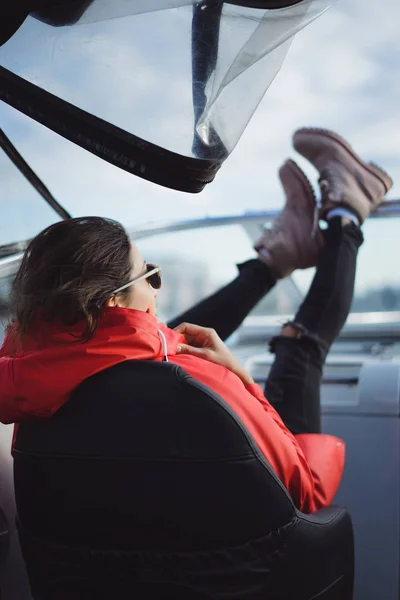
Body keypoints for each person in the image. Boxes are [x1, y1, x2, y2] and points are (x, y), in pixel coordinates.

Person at [0, 127, 393, 514]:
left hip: (95, 576)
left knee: (165, 334)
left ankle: (274, 261)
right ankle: (348, 215)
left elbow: (120, 343)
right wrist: (242, 379)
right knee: (300, 345)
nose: (157, 289)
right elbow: (306, 489)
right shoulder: (202, 381)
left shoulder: (30, 386)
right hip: (258, 565)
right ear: (115, 298)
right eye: (149, 275)